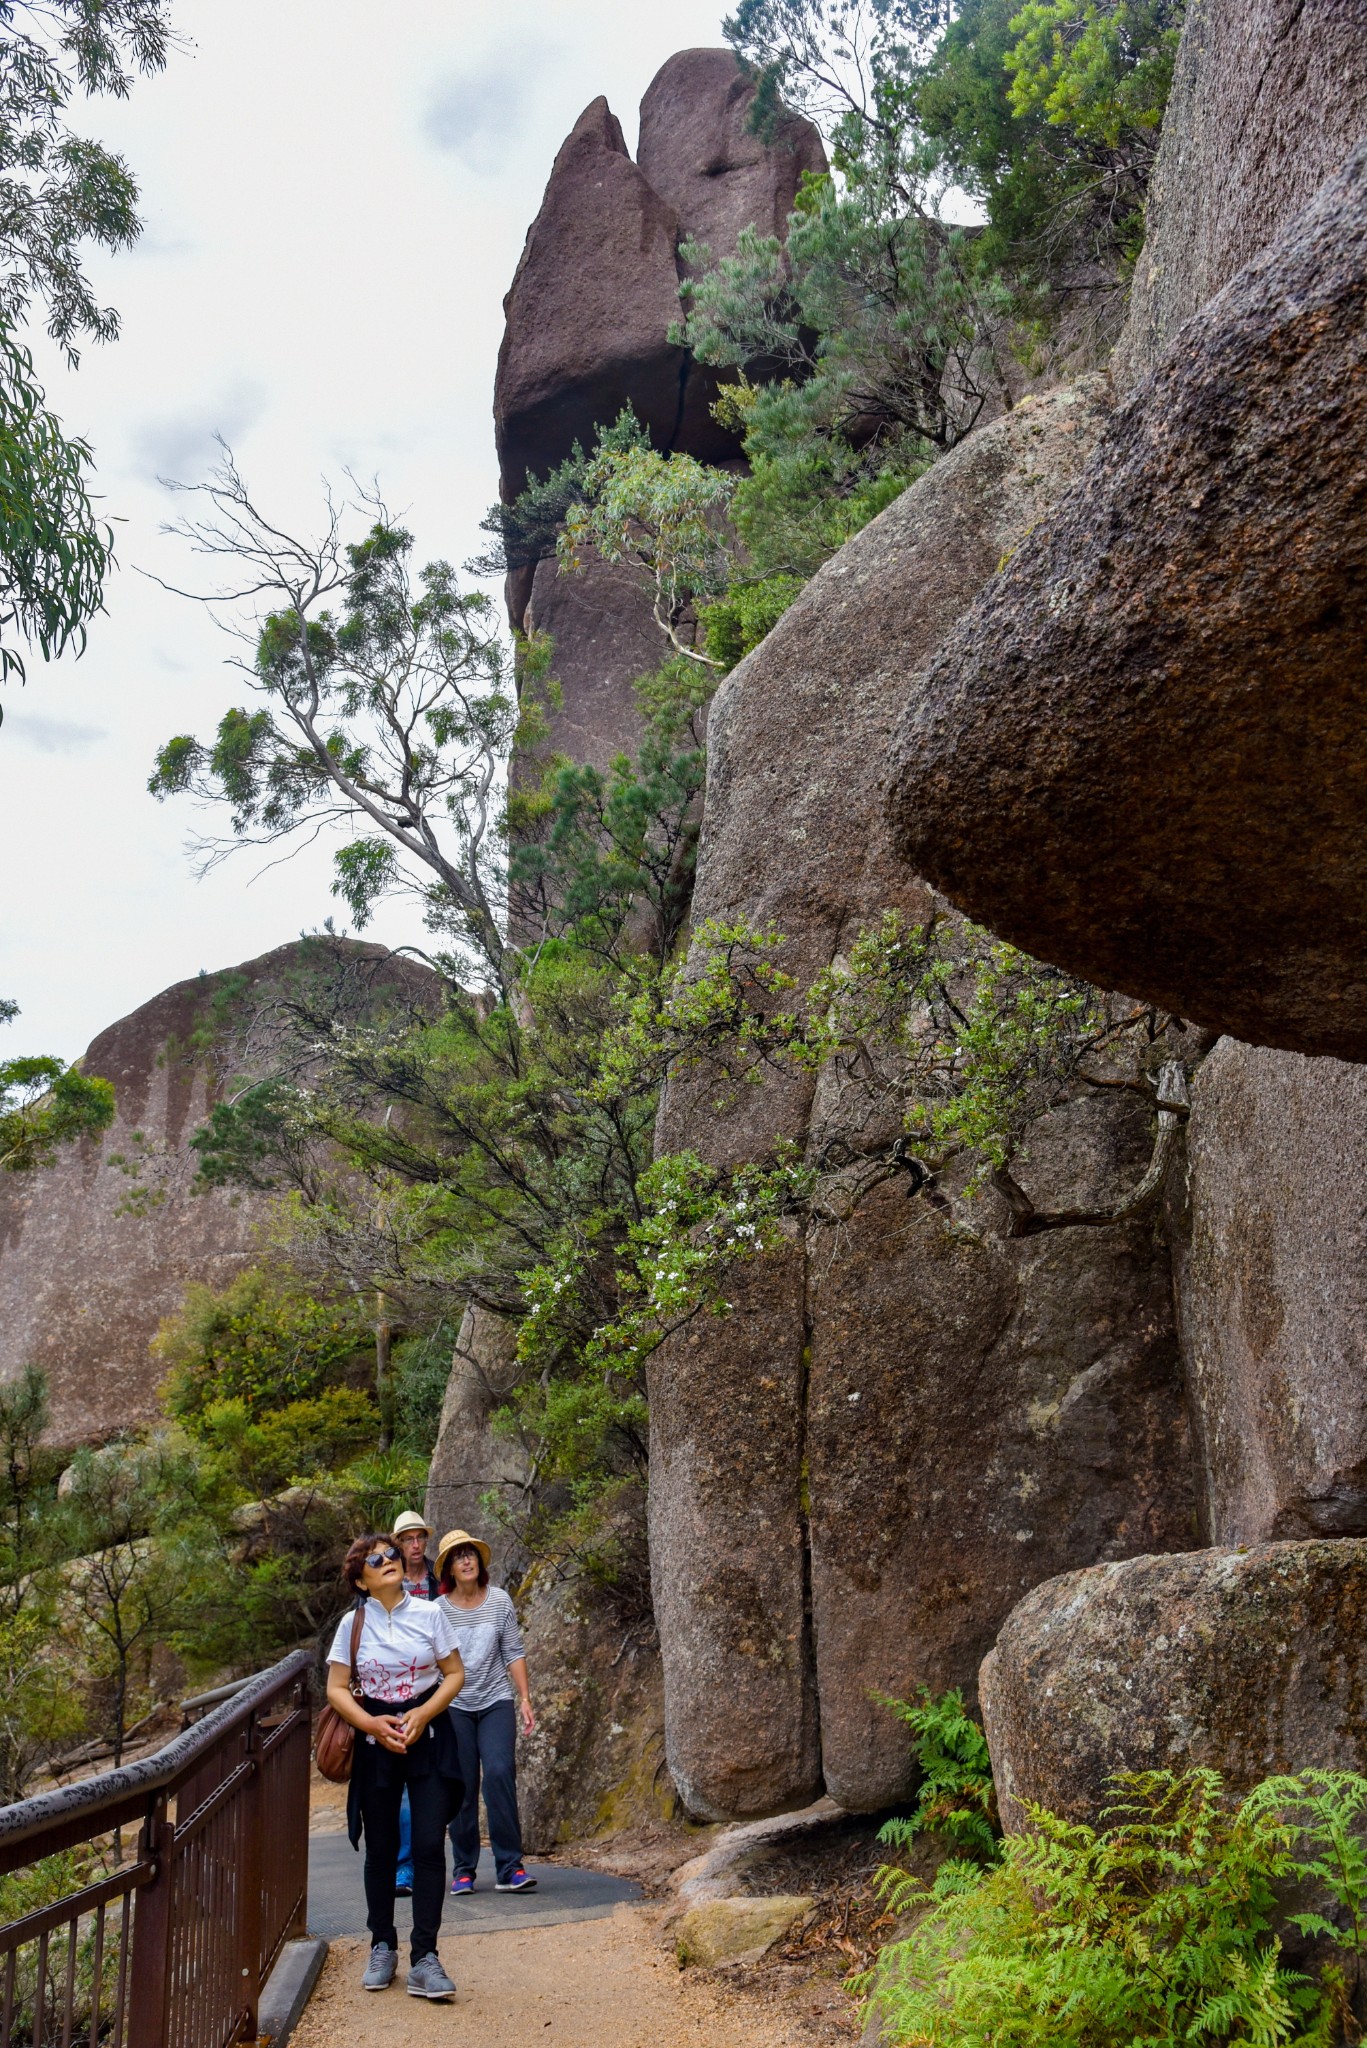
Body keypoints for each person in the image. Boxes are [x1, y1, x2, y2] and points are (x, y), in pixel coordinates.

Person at [325, 1534, 465, 1999]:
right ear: (360, 1580)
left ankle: (426, 1956)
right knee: (381, 1849)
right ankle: (381, 1943)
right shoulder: (352, 1624)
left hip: (428, 1739)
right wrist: (371, 1723)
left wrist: (423, 1715)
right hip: (374, 1743)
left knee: (427, 1844)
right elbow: (336, 1688)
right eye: (375, 1559)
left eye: (391, 1555)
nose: (388, 1560)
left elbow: (455, 1674)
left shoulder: (431, 1613)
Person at [434, 1527, 537, 1896]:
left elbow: (513, 1651)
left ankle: (510, 1867)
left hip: (495, 1700)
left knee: (498, 1773)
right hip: (455, 1706)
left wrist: (524, 1698)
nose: (466, 1560)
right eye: (458, 1556)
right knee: (462, 1784)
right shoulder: (437, 1611)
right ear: (448, 1568)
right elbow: (432, 1664)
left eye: (470, 1553)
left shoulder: (499, 1601)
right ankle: (463, 1869)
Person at [388, 1511, 438, 1894]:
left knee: (445, 1782)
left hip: (441, 1690)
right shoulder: (387, 1583)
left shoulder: (442, 1580)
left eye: (420, 1537)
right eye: (408, 1539)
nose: (416, 1545)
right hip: (399, 1692)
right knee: (405, 1788)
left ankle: (441, 1864)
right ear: (398, 1545)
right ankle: (405, 1866)